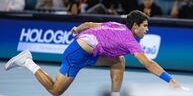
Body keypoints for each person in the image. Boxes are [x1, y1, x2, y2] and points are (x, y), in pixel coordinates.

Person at [5, 10, 181, 96]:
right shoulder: (130, 40)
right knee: (55, 91)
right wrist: (170, 80)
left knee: (118, 61)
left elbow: (89, 24)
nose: (147, 29)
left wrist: (77, 29)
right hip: (76, 54)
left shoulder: (118, 25)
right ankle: (27, 61)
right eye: (145, 26)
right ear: (135, 26)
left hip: (90, 53)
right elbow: (148, 63)